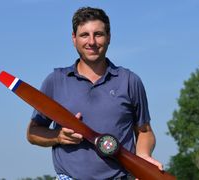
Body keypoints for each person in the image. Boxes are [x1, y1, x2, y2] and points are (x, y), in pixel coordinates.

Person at [27, 6, 163, 180]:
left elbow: (144, 131)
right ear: (74, 39)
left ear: (109, 38)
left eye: (98, 34)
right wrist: (58, 136)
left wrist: (142, 156)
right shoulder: (55, 81)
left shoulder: (129, 81)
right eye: (84, 35)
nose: (92, 42)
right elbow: (33, 132)